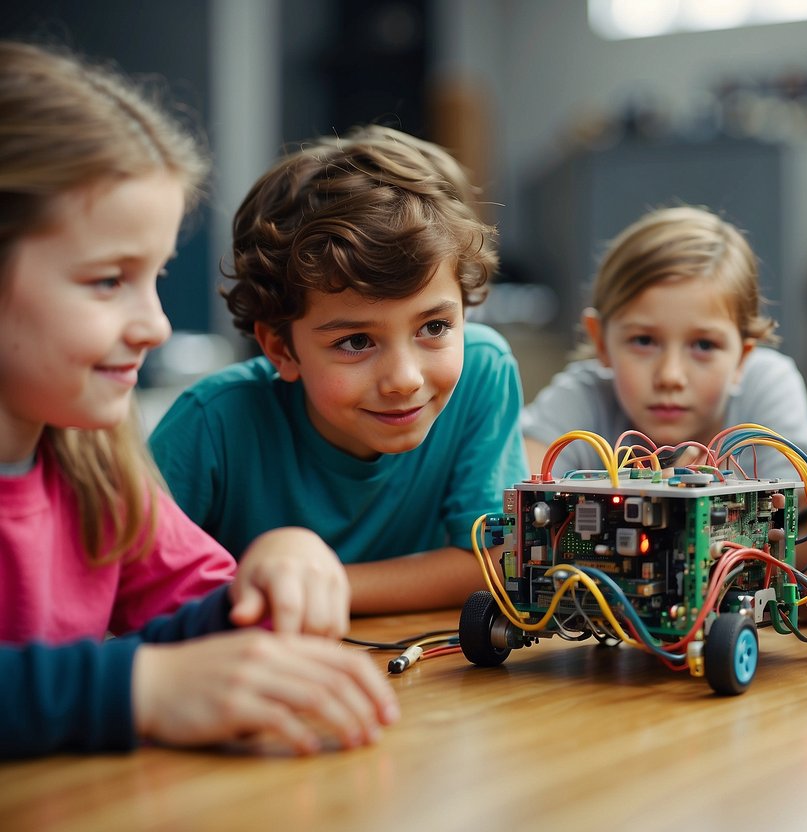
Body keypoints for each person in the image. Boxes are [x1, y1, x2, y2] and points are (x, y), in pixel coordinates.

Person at [0, 42, 397, 758]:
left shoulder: (93, 458)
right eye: (106, 281)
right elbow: (149, 676)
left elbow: (196, 617)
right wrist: (142, 689)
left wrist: (275, 570)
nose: (154, 323)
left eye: (154, 275)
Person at [149, 125, 529, 614]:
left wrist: (315, 587)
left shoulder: (483, 371)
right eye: (355, 341)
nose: (405, 379)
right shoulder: (211, 423)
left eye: (434, 327)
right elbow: (130, 592)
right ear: (281, 348)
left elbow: (496, 564)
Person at [522, 204, 807, 481]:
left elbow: (806, 525)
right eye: (643, 340)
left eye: (704, 345)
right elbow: (517, 496)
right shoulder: (583, 397)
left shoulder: (768, 387)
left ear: (742, 358)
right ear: (601, 342)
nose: (670, 376)